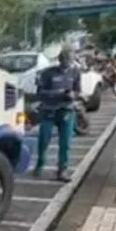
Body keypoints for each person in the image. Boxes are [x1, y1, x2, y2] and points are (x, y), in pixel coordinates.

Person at [33, 48, 82, 182]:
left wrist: (73, 95)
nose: (68, 63)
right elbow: (40, 93)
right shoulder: (48, 73)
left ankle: (62, 169)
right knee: (44, 139)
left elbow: (78, 90)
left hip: (66, 110)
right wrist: (58, 93)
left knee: (65, 142)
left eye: (70, 60)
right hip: (49, 110)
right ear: (60, 59)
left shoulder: (75, 73)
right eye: (65, 59)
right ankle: (40, 163)